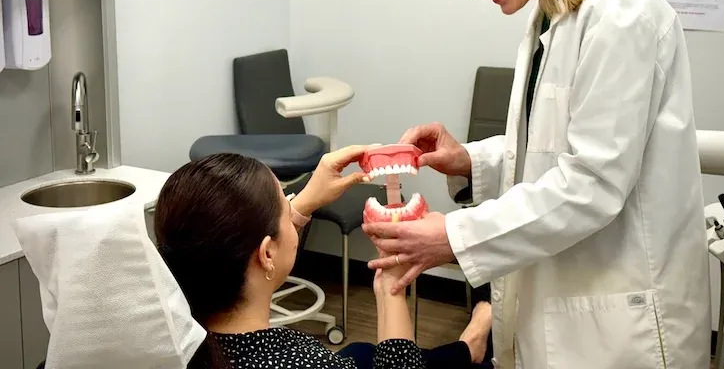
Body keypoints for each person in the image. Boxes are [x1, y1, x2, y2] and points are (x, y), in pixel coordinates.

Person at [362, 0, 711, 368]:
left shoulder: (620, 13)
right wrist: (467, 160)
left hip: (624, 312)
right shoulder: (550, 12)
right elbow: (549, 145)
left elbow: (591, 182)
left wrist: (455, 237)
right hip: (566, 299)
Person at [153, 148, 493, 369]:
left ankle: (467, 347)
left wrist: (302, 204)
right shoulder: (306, 360)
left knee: (360, 353)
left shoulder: (168, 338)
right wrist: (392, 283)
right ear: (266, 253)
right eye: (287, 207)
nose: (296, 211)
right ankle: (472, 343)